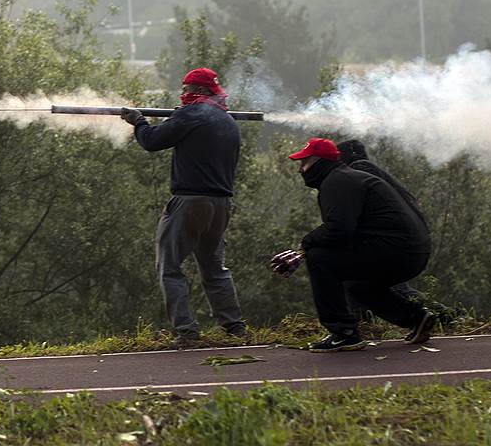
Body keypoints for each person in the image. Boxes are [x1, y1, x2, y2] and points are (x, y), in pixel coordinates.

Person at [272, 137, 435, 352]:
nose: (301, 170)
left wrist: (306, 244)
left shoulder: (337, 181)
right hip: (411, 252)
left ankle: (343, 333)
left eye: (305, 163)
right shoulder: (344, 178)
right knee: (357, 284)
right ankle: (415, 317)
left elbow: (339, 230)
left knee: (319, 258)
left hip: (398, 251)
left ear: (320, 161)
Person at [121, 67, 246, 346]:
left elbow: (151, 141)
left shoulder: (191, 114)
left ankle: (186, 331)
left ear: (199, 91)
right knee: (215, 269)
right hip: (221, 204)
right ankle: (234, 326)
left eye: (187, 89)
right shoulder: (226, 120)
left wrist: (139, 122)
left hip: (190, 201)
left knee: (170, 267)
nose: (184, 94)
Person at [336, 140, 457, 324]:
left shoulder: (360, 168)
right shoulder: (365, 170)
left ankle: (446, 318)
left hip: (388, 244)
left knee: (366, 283)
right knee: (390, 288)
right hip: (389, 242)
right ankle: (446, 318)